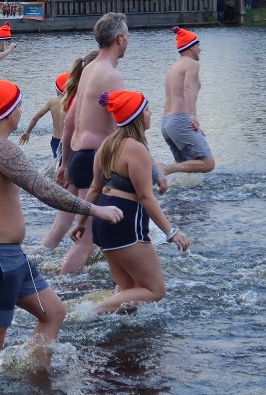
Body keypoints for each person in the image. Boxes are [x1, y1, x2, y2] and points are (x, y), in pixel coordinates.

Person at [0, 70, 124, 382]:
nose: (22, 110)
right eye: (18, 105)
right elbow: (44, 190)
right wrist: (94, 210)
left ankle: (37, 383)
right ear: (7, 110)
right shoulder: (1, 148)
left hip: (8, 258)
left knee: (54, 313)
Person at [71, 90, 190, 314]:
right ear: (136, 116)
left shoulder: (107, 144)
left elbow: (95, 188)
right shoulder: (135, 149)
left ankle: (121, 343)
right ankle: (89, 313)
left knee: (128, 289)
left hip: (103, 221)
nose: (151, 113)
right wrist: (171, 232)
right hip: (126, 221)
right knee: (155, 290)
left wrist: (80, 221)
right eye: (146, 109)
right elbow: (146, 197)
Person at [57, 12, 136, 274]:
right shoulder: (112, 76)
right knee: (86, 241)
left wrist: (65, 163)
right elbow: (125, 126)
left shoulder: (89, 69)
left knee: (97, 234)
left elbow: (69, 121)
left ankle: (109, 282)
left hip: (80, 157)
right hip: (95, 160)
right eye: (128, 35)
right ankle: (59, 294)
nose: (129, 41)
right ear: (119, 38)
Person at [161, 26, 215, 176]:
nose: (200, 49)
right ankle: (164, 169)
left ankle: (185, 194)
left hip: (167, 123)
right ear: (190, 47)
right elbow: (188, 89)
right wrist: (192, 116)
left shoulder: (173, 68)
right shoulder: (192, 64)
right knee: (208, 163)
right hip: (180, 120)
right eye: (198, 45)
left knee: (188, 171)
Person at [19, 72, 66, 161]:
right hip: (68, 140)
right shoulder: (73, 102)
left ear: (57, 89)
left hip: (55, 141)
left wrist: (27, 132)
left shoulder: (52, 102)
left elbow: (36, 117)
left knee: (57, 164)